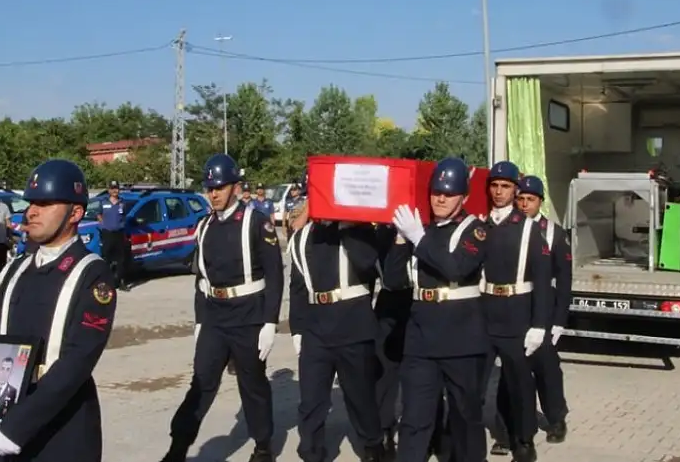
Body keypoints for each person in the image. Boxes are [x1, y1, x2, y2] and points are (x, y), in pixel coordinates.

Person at [0, 158, 116, 461]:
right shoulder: (17, 268)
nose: (31, 211)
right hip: (1, 407)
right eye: (32, 202)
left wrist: (19, 425)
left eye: (45, 204)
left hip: (61, 422)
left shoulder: (91, 273)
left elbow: (77, 361)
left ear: (75, 212)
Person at [160, 154, 284, 462]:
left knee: (252, 384)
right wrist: (200, 320)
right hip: (215, 316)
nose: (213, 194)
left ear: (235, 187)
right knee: (201, 382)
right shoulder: (204, 226)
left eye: (219, 187)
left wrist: (270, 323)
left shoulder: (256, 223)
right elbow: (200, 279)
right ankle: (178, 447)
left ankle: (263, 445)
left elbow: (275, 275)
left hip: (248, 316)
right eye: (209, 188)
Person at [386, 157, 489, 462]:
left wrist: (418, 237)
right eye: (436, 192)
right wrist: (401, 239)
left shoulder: (476, 230)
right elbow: (393, 280)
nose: (440, 198)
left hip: (462, 338)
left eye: (449, 193)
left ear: (464, 198)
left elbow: (456, 267)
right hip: (421, 339)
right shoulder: (421, 230)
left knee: (465, 418)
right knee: (414, 419)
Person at [288, 211, 385, 462]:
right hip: (315, 327)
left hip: (353, 323)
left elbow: (367, 264)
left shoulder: (359, 230)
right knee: (311, 401)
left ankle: (373, 445)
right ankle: (311, 452)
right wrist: (297, 330)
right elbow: (298, 287)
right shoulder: (301, 237)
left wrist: (349, 225)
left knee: (360, 397)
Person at [480, 163, 551, 461]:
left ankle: (524, 439)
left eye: (505, 186)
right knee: (473, 383)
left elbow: (544, 282)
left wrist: (539, 325)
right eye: (494, 185)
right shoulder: (478, 225)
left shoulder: (529, 228)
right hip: (482, 312)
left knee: (519, 383)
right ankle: (500, 434)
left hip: (516, 313)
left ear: (515, 190)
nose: (499, 191)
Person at [514, 175, 571, 444]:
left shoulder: (554, 233)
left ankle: (556, 418)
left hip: (545, 311)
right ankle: (517, 427)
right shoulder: (510, 229)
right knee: (517, 371)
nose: (525, 204)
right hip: (517, 310)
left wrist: (560, 319)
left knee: (547, 369)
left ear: (540, 202)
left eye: (530, 200)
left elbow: (564, 279)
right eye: (521, 199)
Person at [98, 180, 132, 292]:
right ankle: (105, 283)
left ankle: (121, 282)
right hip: (107, 234)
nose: (114, 191)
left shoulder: (122, 203)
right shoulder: (103, 202)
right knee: (106, 259)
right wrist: (103, 225)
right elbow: (98, 214)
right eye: (112, 188)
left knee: (120, 260)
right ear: (109, 190)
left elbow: (125, 216)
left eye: (116, 188)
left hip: (119, 234)